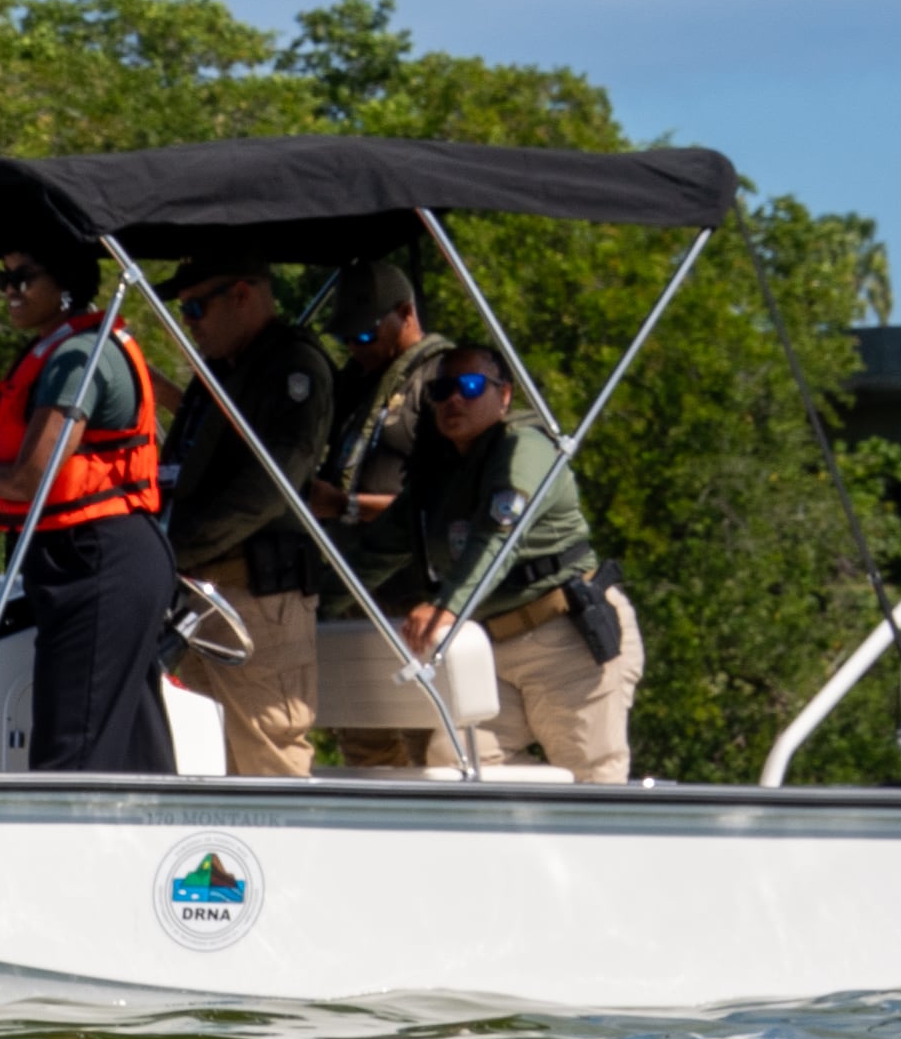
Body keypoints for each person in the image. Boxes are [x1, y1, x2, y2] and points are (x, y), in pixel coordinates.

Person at [0, 240, 172, 772]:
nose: (10, 291)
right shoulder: (65, 348)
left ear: (65, 285)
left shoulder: (77, 356)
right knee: (129, 749)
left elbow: (30, 479)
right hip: (89, 557)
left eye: (23, 278)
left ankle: (67, 830)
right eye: (4, 279)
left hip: (96, 559)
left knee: (71, 752)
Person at [378, 345, 644, 781]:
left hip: (565, 637)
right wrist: (313, 597)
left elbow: (497, 537)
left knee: (591, 776)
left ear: (504, 395)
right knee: (456, 765)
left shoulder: (524, 447)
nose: (454, 399)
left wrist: (447, 607)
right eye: (441, 390)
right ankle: (537, 821)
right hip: (493, 645)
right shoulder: (441, 472)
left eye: (470, 386)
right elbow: (375, 549)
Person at [154, 259, 339, 776]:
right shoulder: (222, 368)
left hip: (257, 597)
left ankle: (281, 841)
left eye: (196, 307)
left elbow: (268, 488)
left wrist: (172, 547)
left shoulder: (291, 367)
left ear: (242, 295)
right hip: (200, 595)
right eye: (183, 311)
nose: (189, 322)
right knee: (199, 760)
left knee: (269, 760)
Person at [306, 263, 454, 768]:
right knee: (364, 742)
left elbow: (448, 501)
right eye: (345, 338)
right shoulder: (356, 384)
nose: (356, 347)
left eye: (366, 334)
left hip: (411, 600)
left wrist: (344, 505)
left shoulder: (440, 382)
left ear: (406, 313)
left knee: (429, 742)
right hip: (355, 593)